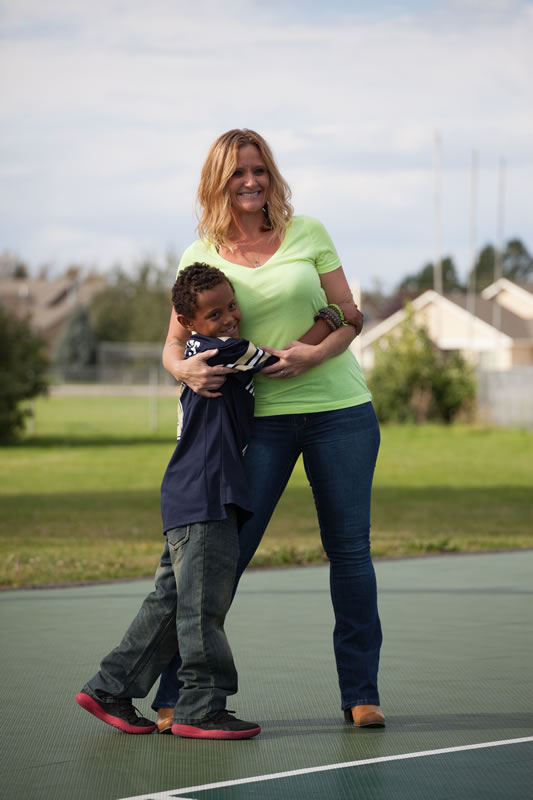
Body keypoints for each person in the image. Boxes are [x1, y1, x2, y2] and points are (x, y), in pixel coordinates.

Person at [155, 128, 385, 731]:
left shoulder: (309, 232)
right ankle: (176, 695)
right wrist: (186, 373)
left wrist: (316, 354)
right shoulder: (198, 252)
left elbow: (349, 313)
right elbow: (175, 345)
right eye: (238, 172)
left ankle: (361, 694)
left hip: (341, 412)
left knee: (351, 554)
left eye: (259, 169)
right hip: (259, 425)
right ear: (219, 181)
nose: (251, 181)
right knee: (220, 559)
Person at [76, 262, 278, 740]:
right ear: (188, 322)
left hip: (191, 492)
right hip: (207, 492)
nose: (230, 316)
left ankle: (111, 687)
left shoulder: (197, 348)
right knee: (202, 606)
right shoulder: (223, 350)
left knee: (171, 599)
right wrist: (334, 320)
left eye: (232, 305)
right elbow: (281, 360)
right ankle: (200, 707)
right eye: (215, 313)